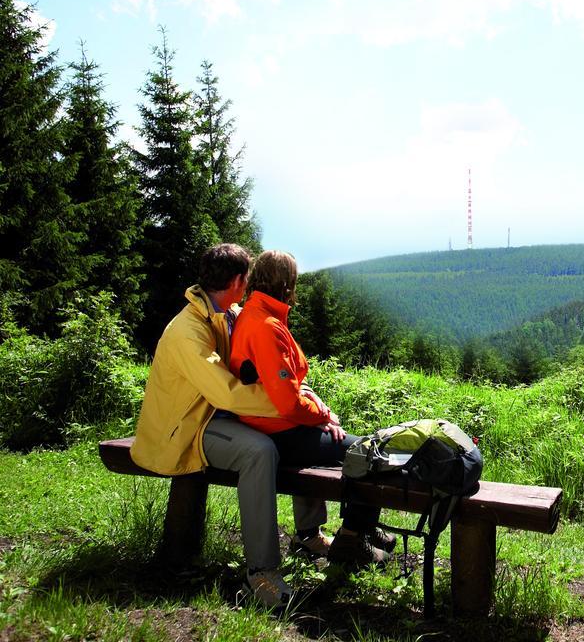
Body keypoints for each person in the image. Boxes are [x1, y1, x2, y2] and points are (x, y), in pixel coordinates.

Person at [131, 243, 296, 610]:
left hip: (210, 417)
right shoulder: (187, 331)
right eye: (248, 278)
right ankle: (261, 573)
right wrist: (289, 406)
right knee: (259, 451)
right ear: (239, 280)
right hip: (185, 430)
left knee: (291, 435)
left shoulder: (224, 312)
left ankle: (309, 534)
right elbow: (227, 393)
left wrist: (293, 400)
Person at [229, 249, 396, 567]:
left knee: (358, 448)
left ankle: (327, 533)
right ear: (287, 284)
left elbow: (283, 384)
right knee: (370, 452)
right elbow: (288, 402)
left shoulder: (258, 314)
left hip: (273, 423)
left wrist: (317, 411)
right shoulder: (265, 325)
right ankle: (352, 541)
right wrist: (322, 416)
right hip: (278, 430)